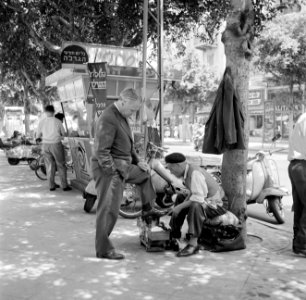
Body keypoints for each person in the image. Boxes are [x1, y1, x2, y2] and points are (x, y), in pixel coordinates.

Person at [91, 87, 167, 260]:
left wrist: (138, 160)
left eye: (135, 110)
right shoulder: (108, 117)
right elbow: (102, 152)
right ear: (122, 101)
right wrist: (113, 175)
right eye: (132, 109)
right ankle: (103, 249)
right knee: (109, 209)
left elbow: (129, 145)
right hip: (108, 169)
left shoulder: (122, 116)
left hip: (123, 165)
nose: (133, 114)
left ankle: (148, 209)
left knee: (145, 174)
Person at [165, 152, 227, 257]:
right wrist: (179, 206)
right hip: (206, 200)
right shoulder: (187, 171)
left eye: (171, 169)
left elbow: (198, 199)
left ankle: (193, 245)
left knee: (196, 206)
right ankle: (175, 233)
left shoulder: (195, 173)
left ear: (178, 165)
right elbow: (193, 193)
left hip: (218, 205)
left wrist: (179, 207)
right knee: (181, 197)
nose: (170, 172)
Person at [36, 105, 72, 192]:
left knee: (49, 166)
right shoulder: (58, 121)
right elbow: (63, 133)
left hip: (45, 145)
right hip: (56, 144)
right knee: (61, 165)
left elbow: (38, 135)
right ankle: (64, 185)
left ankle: (51, 186)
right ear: (53, 111)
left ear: (45, 112)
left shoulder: (42, 122)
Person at [288, 112, 306, 257]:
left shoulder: (303, 117)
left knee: (300, 206)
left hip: (297, 166)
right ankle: (302, 243)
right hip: (302, 166)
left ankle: (298, 244)